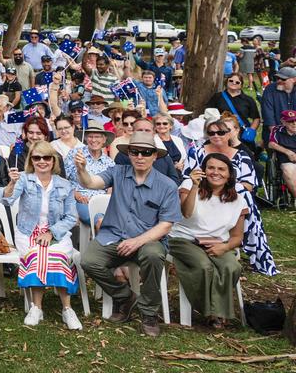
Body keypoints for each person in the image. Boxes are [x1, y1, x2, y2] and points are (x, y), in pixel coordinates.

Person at [76, 129, 181, 337]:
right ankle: (125, 297)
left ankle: (149, 313)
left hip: (147, 239)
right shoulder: (117, 172)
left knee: (153, 255)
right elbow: (89, 183)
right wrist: (81, 169)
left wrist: (137, 241)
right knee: (88, 260)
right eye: (135, 152)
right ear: (129, 153)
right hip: (113, 236)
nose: (140, 156)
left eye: (145, 152)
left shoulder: (167, 185)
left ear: (155, 155)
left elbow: (166, 225)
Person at [1, 141, 82, 329]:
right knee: (37, 255)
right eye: (37, 158)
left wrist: (51, 233)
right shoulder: (23, 179)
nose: (42, 161)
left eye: (46, 157)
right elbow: (7, 200)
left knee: (58, 256)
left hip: (56, 231)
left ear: (53, 161)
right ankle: (36, 307)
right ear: (31, 160)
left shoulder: (65, 184)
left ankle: (67, 309)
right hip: (28, 231)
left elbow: (71, 217)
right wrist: (11, 183)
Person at [185, 121, 277, 276]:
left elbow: (248, 184)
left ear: (229, 134)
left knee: (246, 198)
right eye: (212, 132)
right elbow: (188, 176)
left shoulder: (241, 155)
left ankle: (247, 246)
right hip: (202, 195)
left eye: (220, 132)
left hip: (232, 195)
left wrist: (223, 189)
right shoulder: (196, 152)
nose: (216, 136)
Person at [169, 153, 249, 328]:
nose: (215, 172)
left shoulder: (238, 200)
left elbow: (237, 237)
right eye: (210, 168)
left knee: (231, 266)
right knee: (204, 265)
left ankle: (218, 311)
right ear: (204, 170)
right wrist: (195, 186)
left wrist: (224, 247)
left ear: (229, 174)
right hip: (183, 239)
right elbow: (186, 213)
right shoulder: (189, 184)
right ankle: (213, 312)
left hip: (217, 242)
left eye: (221, 169)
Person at [68, 122, 115, 225]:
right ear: (85, 138)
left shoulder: (110, 162)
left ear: (104, 139)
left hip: (103, 202)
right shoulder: (75, 154)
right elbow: (63, 179)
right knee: (100, 221)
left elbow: (111, 189)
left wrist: (106, 201)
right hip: (82, 201)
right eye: (90, 136)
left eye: (97, 136)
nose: (93, 140)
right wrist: (75, 194)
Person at [206, 73, 261, 152]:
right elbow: (209, 113)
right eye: (231, 80)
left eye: (237, 82)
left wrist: (251, 130)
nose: (233, 83)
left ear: (241, 85)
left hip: (242, 133)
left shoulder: (248, 100)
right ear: (226, 82)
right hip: (222, 132)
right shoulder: (217, 97)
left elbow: (256, 118)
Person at [269, 109, 296, 201]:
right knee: (288, 171)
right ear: (283, 122)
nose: (294, 123)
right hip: (287, 161)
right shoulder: (277, 130)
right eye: (290, 121)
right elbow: (271, 144)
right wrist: (288, 152)